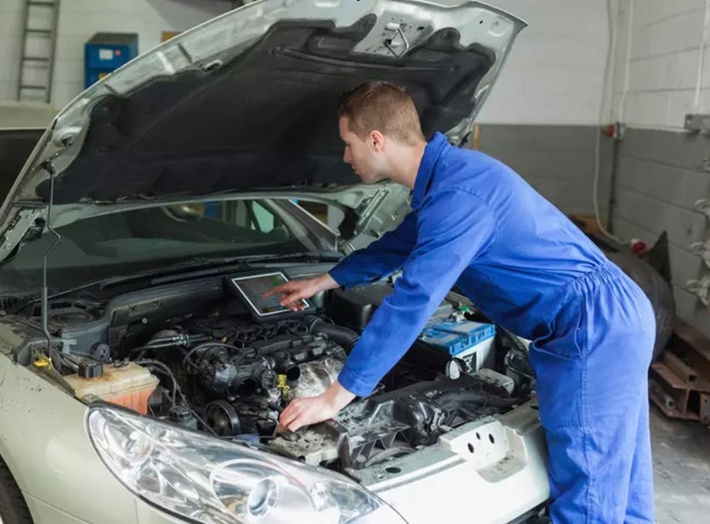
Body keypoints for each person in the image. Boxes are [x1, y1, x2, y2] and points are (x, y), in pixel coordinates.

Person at [266, 81, 655, 523]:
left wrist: (338, 395)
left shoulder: (458, 198)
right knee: (619, 477)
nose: (345, 158)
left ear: (376, 140)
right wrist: (324, 280)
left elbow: (413, 299)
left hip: (591, 325)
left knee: (589, 494)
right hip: (612, 314)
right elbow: (398, 245)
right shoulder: (449, 178)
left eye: (348, 144)